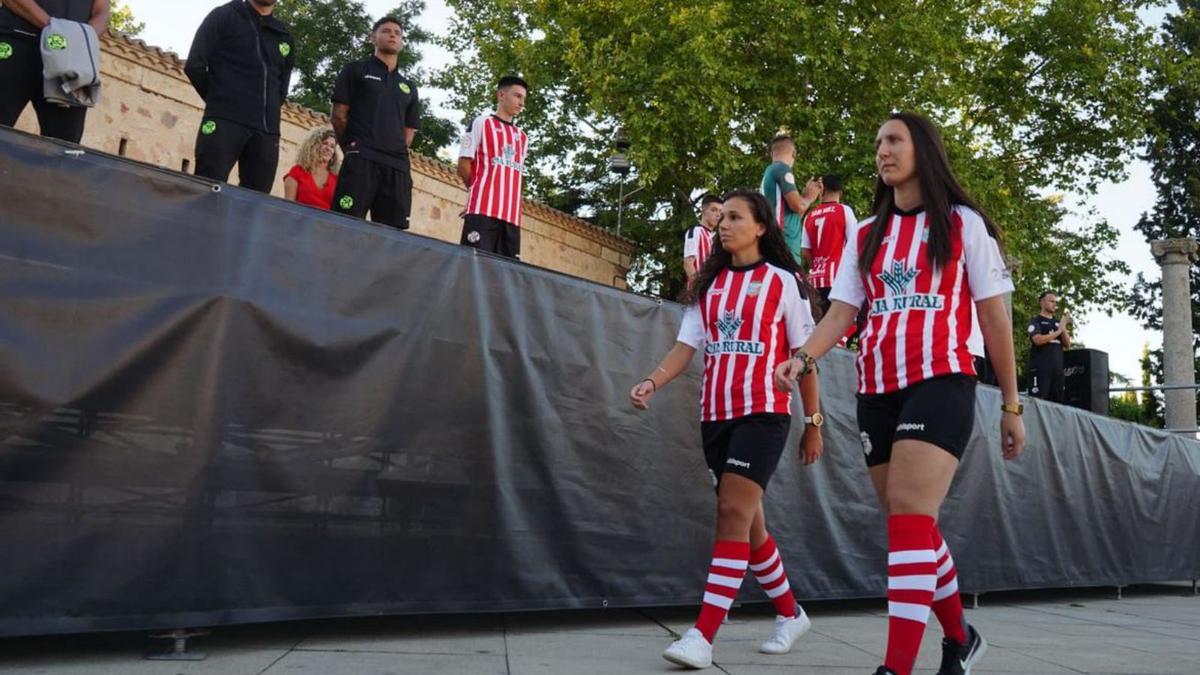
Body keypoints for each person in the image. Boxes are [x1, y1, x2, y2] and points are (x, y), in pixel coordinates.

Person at [775, 112, 1026, 675]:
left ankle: (897, 667)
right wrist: (804, 355)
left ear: (923, 150)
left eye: (894, 140)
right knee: (910, 525)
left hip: (943, 379)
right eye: (878, 143)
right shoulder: (865, 233)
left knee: (911, 515)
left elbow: (993, 316)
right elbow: (842, 311)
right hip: (877, 389)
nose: (882, 151)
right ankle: (960, 638)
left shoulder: (962, 224)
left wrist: (1011, 405)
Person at [630, 189, 824, 670]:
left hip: (764, 413)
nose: (725, 224)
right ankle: (790, 612)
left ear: (761, 227)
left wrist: (814, 423)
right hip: (715, 416)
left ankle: (703, 634)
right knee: (749, 524)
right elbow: (684, 349)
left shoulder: (783, 282)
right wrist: (652, 381)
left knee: (732, 512)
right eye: (723, 218)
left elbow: (807, 359)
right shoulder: (707, 285)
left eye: (736, 217)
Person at [185, 0, 295, 194]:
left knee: (254, 204)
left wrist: (266, 110)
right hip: (223, 123)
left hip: (266, 132)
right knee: (205, 193)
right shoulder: (224, 16)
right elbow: (195, 65)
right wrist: (221, 101)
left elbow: (281, 88)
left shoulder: (284, 36)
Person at [331, 16, 421, 230]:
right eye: (386, 31)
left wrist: (393, 149)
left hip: (396, 167)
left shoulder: (408, 86)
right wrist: (353, 147)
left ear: (401, 42)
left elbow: (408, 133)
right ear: (373, 37)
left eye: (397, 33)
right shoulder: (355, 70)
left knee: (392, 236)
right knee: (345, 225)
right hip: (361, 159)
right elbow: (338, 115)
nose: (392, 35)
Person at [0, 0, 109, 143]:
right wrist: (56, 29)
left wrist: (81, 39)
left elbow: (102, 12)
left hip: (69, 59)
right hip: (15, 40)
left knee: (64, 147)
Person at [458, 74, 529, 258]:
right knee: (474, 267)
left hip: (511, 219)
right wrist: (477, 193)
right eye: (517, 96)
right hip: (483, 213)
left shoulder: (522, 137)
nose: (521, 103)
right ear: (501, 95)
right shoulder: (481, 122)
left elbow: (515, 177)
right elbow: (464, 165)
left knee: (505, 276)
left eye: (524, 98)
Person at [801, 174, 858, 320]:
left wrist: (817, 265)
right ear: (840, 192)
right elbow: (855, 243)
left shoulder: (810, 215)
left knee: (819, 327)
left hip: (815, 280)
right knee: (840, 325)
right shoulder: (844, 211)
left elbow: (805, 250)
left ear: (822, 190)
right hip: (838, 279)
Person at [760, 133, 821, 263]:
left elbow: (795, 214)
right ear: (794, 153)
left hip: (775, 242)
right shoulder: (783, 169)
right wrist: (809, 197)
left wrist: (804, 196)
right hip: (783, 244)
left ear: (771, 153)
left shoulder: (769, 172)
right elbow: (797, 206)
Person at [1028, 291, 1071, 402]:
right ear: (1042, 302)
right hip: (1040, 370)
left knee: (1058, 403)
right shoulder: (1035, 321)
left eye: (1056, 302)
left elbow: (1067, 344)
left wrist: (1063, 327)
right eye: (1051, 301)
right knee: (1038, 402)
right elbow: (1037, 340)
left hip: (1057, 372)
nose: (1054, 304)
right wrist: (1058, 332)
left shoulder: (1058, 323)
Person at [283, 128, 339, 210]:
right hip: (299, 220)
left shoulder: (336, 179)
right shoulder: (297, 171)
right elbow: (288, 208)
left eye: (332, 146)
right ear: (313, 146)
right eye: (325, 143)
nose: (328, 148)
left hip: (325, 222)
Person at [683, 194, 722, 283]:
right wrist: (698, 288)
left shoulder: (715, 237)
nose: (718, 215)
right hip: (698, 292)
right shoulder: (695, 231)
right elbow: (688, 264)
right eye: (714, 210)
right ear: (703, 211)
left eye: (720, 212)